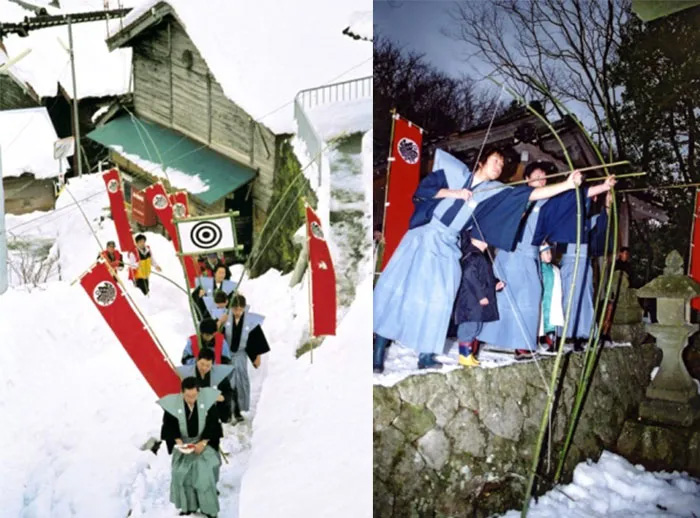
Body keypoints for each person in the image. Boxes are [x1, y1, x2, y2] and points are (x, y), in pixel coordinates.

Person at [373, 148, 584, 371]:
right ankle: (378, 353)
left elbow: (528, 195)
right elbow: (423, 191)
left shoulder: (493, 191)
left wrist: (568, 185)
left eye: (502, 164)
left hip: (449, 246)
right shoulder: (454, 172)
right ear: (481, 162)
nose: (499, 166)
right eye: (496, 160)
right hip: (424, 237)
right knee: (402, 291)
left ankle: (426, 354)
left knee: (442, 298)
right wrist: (455, 192)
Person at [478, 161, 615, 360]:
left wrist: (603, 187)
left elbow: (572, 198)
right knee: (503, 295)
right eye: (537, 176)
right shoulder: (517, 195)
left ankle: (522, 343)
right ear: (526, 178)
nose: (542, 180)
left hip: (530, 255)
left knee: (531, 297)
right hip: (511, 254)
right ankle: (484, 338)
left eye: (544, 177)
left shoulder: (548, 201)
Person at [158, 377, 222, 518]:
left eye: (194, 395)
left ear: (198, 392)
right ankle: (188, 507)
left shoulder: (207, 402)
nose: (191, 399)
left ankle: (209, 510)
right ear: (182, 393)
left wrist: (203, 442)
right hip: (184, 445)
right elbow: (169, 426)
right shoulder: (174, 405)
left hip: (204, 444)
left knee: (202, 471)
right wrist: (179, 443)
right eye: (187, 396)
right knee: (180, 472)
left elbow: (213, 424)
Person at [453, 229, 505, 367]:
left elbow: (484, 278)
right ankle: (464, 355)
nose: (486, 243)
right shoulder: (472, 256)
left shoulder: (479, 256)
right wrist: (481, 296)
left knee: (475, 327)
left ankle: (468, 354)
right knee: (468, 327)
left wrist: (494, 284)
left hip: (476, 301)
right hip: (471, 300)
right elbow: (471, 278)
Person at [221, 293, 270, 422]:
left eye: (240, 309)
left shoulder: (250, 321)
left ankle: (237, 410)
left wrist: (256, 356)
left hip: (241, 356)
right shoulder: (225, 318)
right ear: (231, 308)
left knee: (240, 383)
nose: (237, 312)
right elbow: (217, 336)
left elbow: (255, 340)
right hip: (227, 356)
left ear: (244, 308)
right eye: (235, 309)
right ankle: (226, 411)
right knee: (228, 384)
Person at [177, 348, 235, 424]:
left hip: (213, 408)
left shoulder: (218, 373)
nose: (204, 368)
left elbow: (229, 392)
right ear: (197, 360)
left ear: (212, 364)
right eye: (202, 364)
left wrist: (221, 397)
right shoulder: (187, 373)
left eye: (208, 365)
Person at [538, 243, 564, 353]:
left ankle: (552, 343)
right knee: (542, 322)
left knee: (551, 323)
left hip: (552, 301)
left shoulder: (555, 269)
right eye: (546, 253)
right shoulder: (538, 269)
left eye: (550, 252)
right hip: (543, 301)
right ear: (540, 255)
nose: (550, 255)